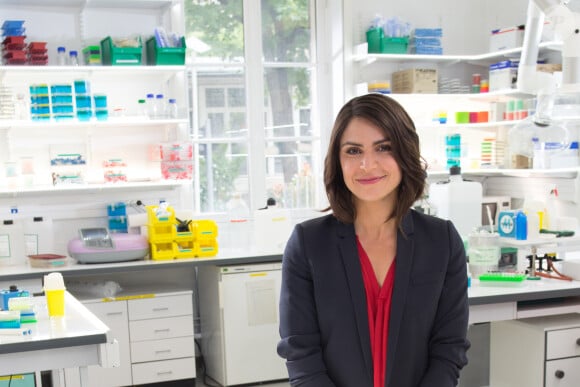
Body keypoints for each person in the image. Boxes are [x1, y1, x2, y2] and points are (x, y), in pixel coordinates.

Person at [277, 93, 470, 387]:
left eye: (384, 148)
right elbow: (301, 354)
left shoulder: (442, 242)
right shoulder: (308, 244)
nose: (368, 164)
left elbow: (449, 349)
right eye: (353, 151)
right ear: (338, 161)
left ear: (405, 154)